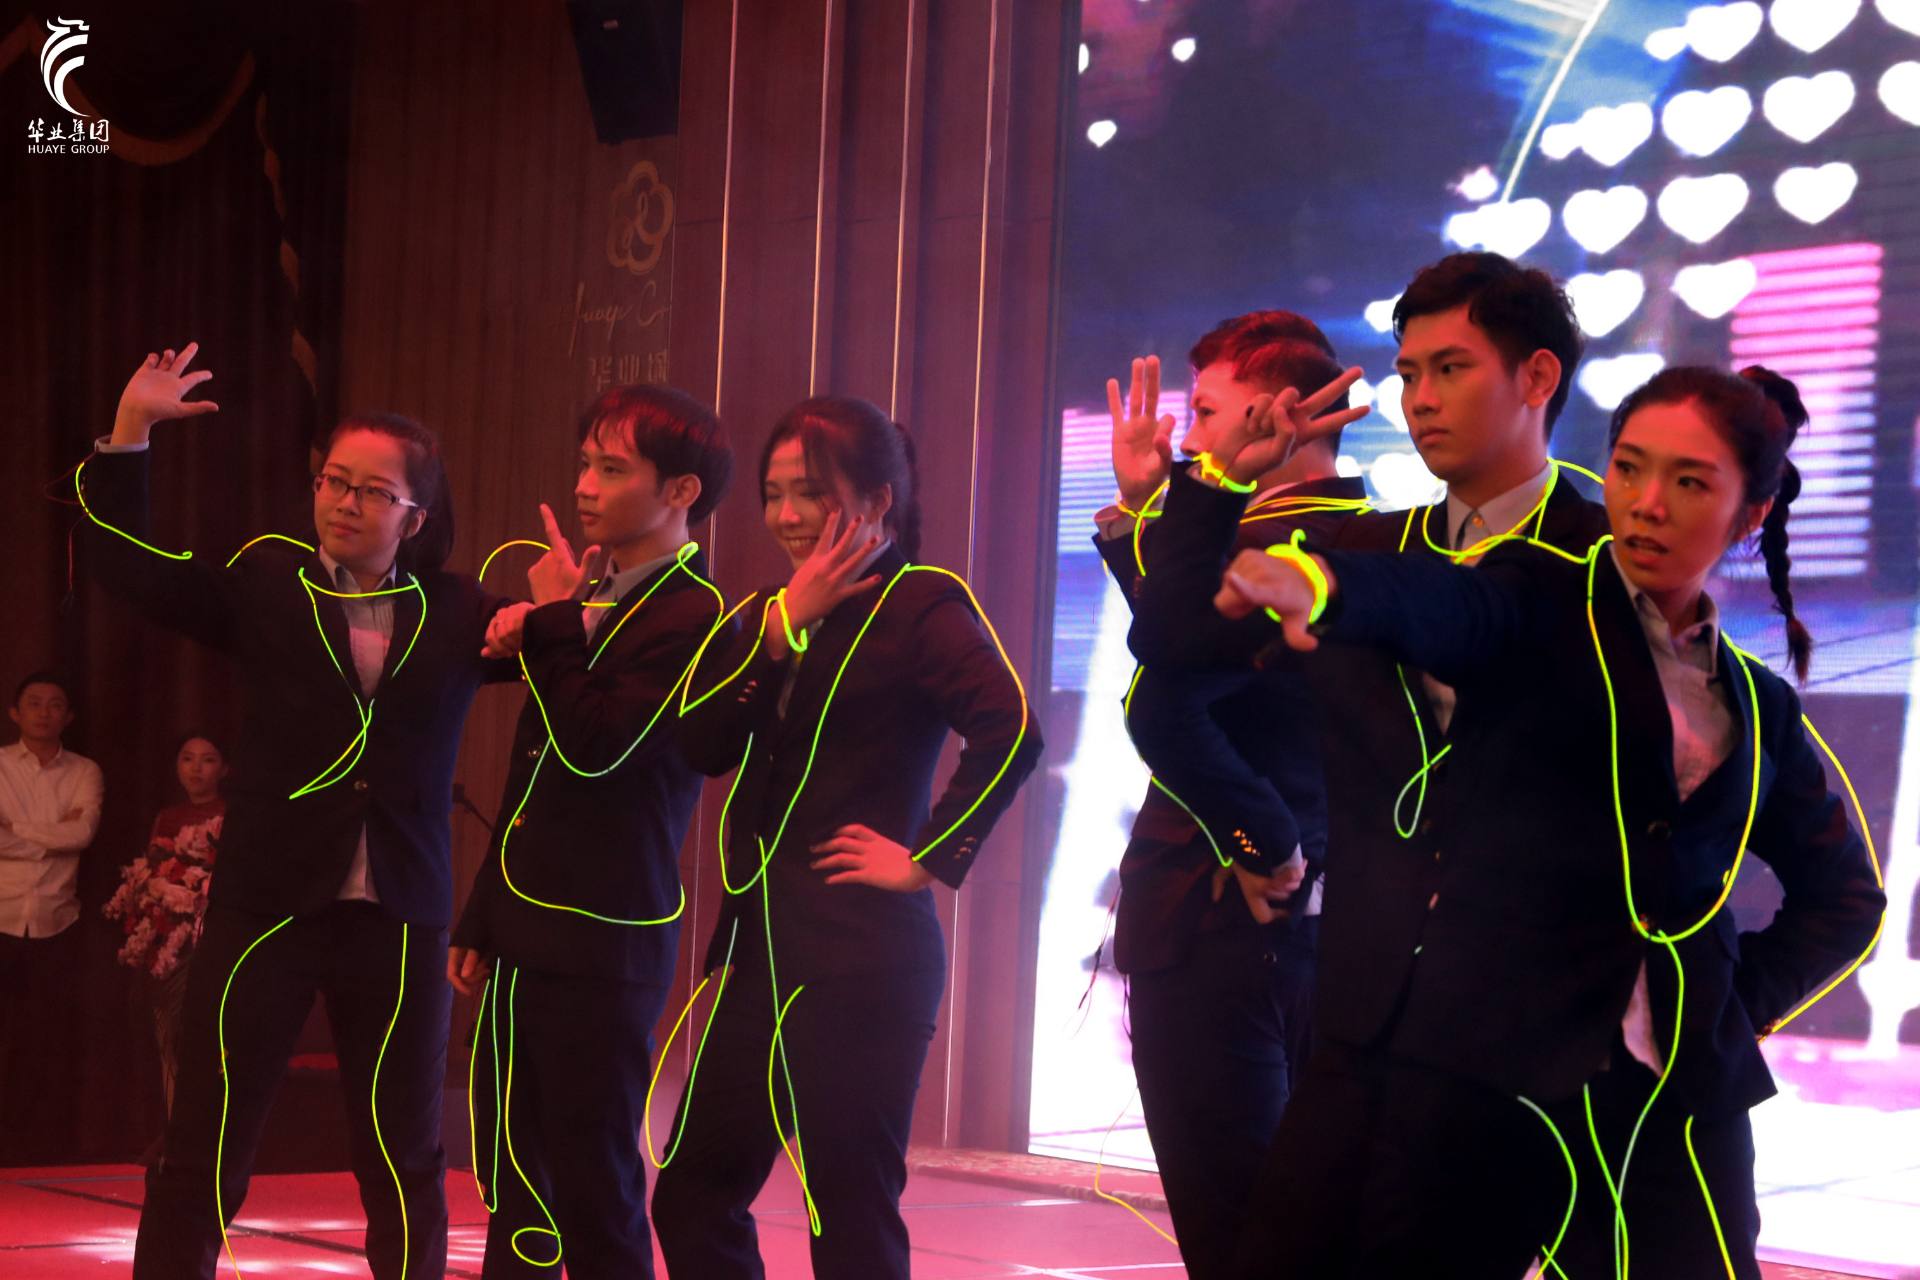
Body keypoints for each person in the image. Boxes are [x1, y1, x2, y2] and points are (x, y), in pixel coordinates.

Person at [1218, 364, 1885, 1278]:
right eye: (1628, 468)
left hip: (1674, 1105)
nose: (1647, 504)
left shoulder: (1757, 704)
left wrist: (1724, 1009)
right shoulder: (1537, 597)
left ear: (1750, 513)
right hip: (1482, 1080)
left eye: (1690, 482)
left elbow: (1846, 899)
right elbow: (1444, 604)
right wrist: (1323, 585)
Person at [1123, 253, 1604, 1275]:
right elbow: (1167, 658)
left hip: (1527, 1036)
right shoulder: (1375, 543)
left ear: (1536, 377)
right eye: (1410, 372)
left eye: (1451, 369)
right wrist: (1214, 484)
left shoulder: (1595, 555)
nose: (1420, 399)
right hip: (1358, 1009)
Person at [78, 343, 518, 1280]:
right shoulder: (271, 581)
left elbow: (567, 656)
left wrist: (561, 611)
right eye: (333, 481)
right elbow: (132, 568)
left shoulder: (456, 610)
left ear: (416, 514)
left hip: (397, 915)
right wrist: (130, 432)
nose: (344, 502)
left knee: (405, 1154)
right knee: (204, 1143)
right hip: (267, 905)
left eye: (373, 491)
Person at [651, 395, 1042, 1280]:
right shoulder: (767, 610)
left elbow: (1011, 728)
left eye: (812, 494)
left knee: (848, 1212)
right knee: (691, 1195)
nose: (788, 515)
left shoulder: (921, 602)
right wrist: (781, 630)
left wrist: (928, 858)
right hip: (760, 955)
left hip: (863, 960)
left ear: (877, 500)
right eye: (774, 494)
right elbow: (699, 745)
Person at [1087, 312, 1367, 1279]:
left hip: (1227, 918)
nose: (1187, 436)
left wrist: (1263, 845)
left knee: (1239, 1233)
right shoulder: (1350, 532)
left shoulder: (1282, 543)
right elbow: (1188, 650)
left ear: (1279, 412)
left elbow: (1165, 688)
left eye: (1204, 412)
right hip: (1305, 924)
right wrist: (1142, 515)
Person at [448, 384, 732, 1279]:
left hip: (604, 940)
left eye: (612, 469)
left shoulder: (694, 614)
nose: (584, 485)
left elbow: (598, 749)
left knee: (593, 1181)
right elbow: (532, 775)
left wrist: (550, 623)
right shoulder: (595, 592)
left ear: (680, 491)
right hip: (526, 926)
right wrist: (484, 914)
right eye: (584, 464)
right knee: (512, 1174)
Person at [0, 671, 104, 1165]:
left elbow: (81, 835)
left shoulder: (84, 771)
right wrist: (50, 835)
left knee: (44, 1046)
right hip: (1, 917)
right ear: (14, 713)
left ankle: (35, 1151)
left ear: (69, 716)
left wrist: (14, 830)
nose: (44, 712)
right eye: (34, 703)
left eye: (55, 704)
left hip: (57, 923)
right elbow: (61, 837)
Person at [105, 731, 229, 1134]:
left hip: (212, 942)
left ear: (225, 768)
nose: (196, 769)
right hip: (168, 944)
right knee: (168, 1038)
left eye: (207, 759)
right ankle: (176, 1134)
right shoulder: (167, 816)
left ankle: (212, 1133)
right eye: (187, 759)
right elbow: (150, 876)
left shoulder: (232, 814)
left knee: (210, 1040)